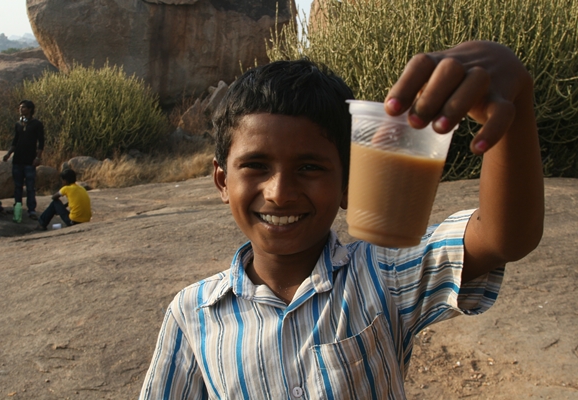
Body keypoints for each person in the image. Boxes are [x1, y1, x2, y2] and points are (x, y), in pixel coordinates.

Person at [139, 41, 544, 399]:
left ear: (350, 184)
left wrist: (516, 99)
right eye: (257, 165)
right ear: (222, 181)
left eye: (310, 167)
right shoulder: (192, 314)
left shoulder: (381, 273)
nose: (279, 192)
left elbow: (500, 237)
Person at [2, 99, 45, 221]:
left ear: (30, 109)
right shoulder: (18, 124)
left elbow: (41, 142)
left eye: (24, 107)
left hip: (30, 160)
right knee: (17, 186)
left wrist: (38, 157)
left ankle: (32, 210)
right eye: (20, 107)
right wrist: (8, 154)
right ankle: (18, 208)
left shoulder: (36, 124)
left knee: (30, 187)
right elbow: (15, 141)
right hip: (17, 160)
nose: (21, 109)